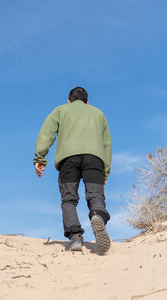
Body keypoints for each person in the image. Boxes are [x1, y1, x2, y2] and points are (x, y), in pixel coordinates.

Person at [33, 87, 112, 254]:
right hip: (94, 158)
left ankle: (75, 236)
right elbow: (107, 144)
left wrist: (40, 158)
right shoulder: (98, 113)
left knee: (68, 199)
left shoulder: (61, 110)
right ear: (87, 102)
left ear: (69, 100)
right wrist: (105, 171)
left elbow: (47, 132)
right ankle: (97, 215)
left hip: (68, 159)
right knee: (95, 195)